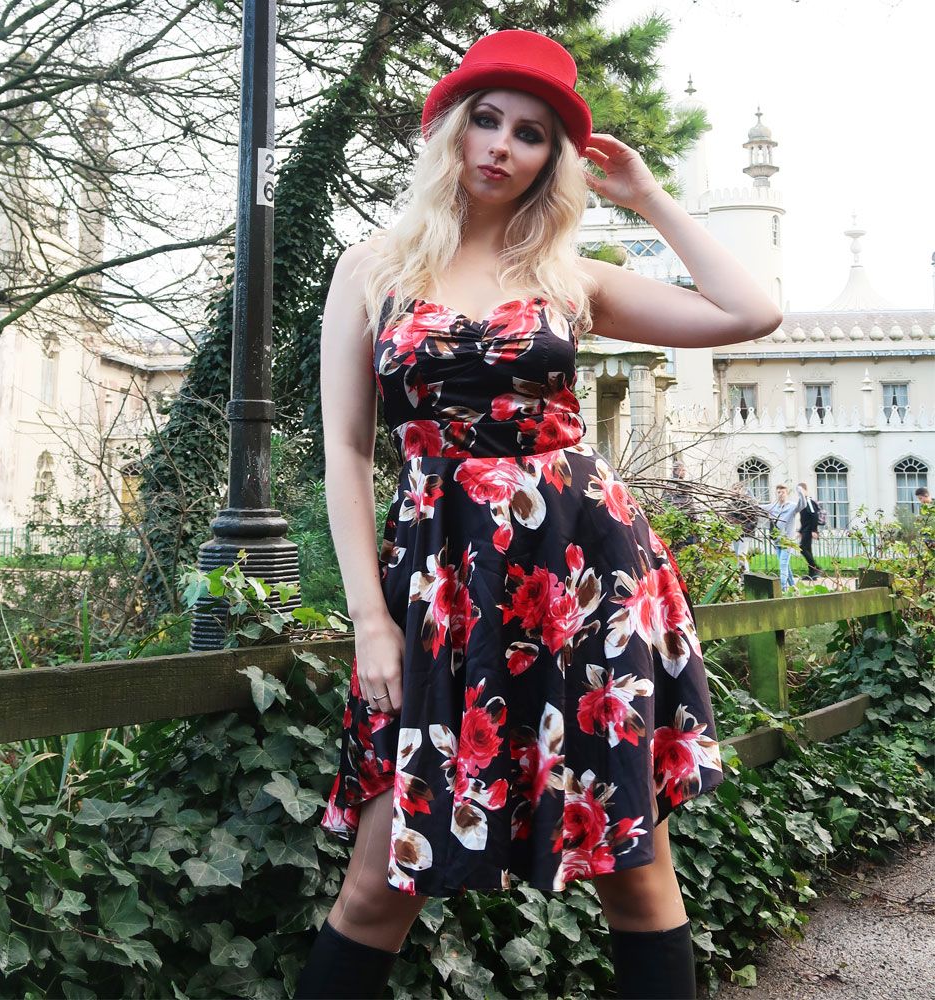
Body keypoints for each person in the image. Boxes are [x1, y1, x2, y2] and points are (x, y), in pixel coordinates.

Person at [302, 29, 782, 1000]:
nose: (502, 146)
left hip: (584, 581)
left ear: (550, 161)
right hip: (439, 585)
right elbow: (345, 451)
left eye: (531, 134)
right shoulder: (371, 269)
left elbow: (748, 311)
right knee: (377, 882)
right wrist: (369, 620)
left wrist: (646, 198)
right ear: (451, 130)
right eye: (487, 120)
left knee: (633, 869)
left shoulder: (568, 276)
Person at [759, 483, 807, 593]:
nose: (781, 494)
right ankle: (793, 586)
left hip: (787, 542)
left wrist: (800, 492)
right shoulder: (772, 507)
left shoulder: (792, 507)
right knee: (785, 565)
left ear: (787, 494)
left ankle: (782, 589)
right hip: (777, 541)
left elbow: (803, 505)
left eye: (783, 492)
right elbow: (758, 507)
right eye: (779, 492)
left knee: (783, 564)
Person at [726, 482, 758, 574]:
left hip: (745, 533)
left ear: (742, 490)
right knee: (738, 555)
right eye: (733, 489)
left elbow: (754, 519)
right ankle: (742, 576)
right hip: (735, 533)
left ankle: (745, 575)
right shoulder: (731, 504)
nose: (734, 491)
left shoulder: (748, 503)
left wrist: (744, 529)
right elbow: (728, 518)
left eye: (736, 489)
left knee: (741, 554)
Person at [797, 481, 822, 580]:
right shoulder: (802, 503)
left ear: (805, 490)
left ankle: (816, 567)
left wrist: (814, 530)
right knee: (808, 550)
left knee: (802, 548)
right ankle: (812, 574)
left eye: (801, 491)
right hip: (805, 529)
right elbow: (804, 518)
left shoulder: (809, 501)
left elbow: (814, 515)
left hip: (809, 529)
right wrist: (800, 531)